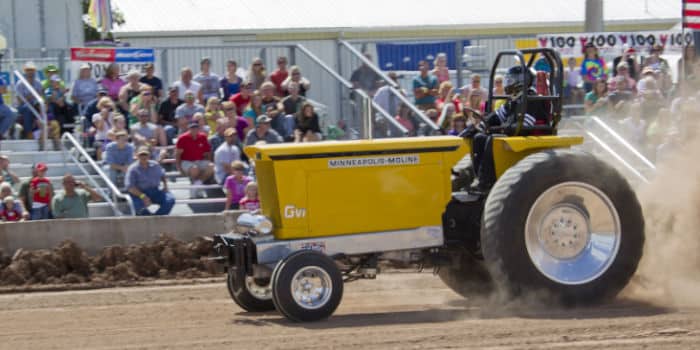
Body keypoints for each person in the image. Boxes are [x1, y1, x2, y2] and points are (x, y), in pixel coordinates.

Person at [470, 66, 547, 191]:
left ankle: (487, 181)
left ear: (521, 81)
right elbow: (497, 116)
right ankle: (477, 177)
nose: (508, 83)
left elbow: (524, 125)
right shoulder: (515, 99)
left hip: (525, 136)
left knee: (492, 139)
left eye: (511, 80)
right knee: (478, 137)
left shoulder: (532, 99)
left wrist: (500, 129)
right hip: (513, 133)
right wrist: (480, 126)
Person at [126, 146, 175, 216]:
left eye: (145, 154)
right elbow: (130, 187)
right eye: (141, 155)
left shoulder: (155, 165)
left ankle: (157, 218)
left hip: (155, 191)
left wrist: (165, 186)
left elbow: (162, 175)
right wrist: (143, 196)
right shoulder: (132, 169)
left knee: (170, 199)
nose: (143, 157)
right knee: (137, 206)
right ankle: (148, 218)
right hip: (139, 193)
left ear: (149, 155)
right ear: (137, 156)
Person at [175, 121, 214, 198]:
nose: (194, 129)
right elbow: (178, 154)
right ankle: (197, 187)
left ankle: (196, 185)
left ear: (198, 128)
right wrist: (179, 168)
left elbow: (208, 152)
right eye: (192, 128)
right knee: (194, 169)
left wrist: (208, 161)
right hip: (186, 161)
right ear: (189, 128)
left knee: (211, 166)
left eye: (196, 127)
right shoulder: (182, 138)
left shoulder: (203, 137)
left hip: (200, 160)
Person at [15, 62, 45, 139]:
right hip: (23, 106)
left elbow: (41, 96)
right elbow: (20, 101)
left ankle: (44, 132)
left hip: (35, 105)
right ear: (25, 71)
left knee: (45, 107)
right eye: (28, 70)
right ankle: (28, 133)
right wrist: (32, 95)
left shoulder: (38, 83)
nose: (30, 72)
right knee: (27, 108)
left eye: (32, 70)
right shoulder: (20, 83)